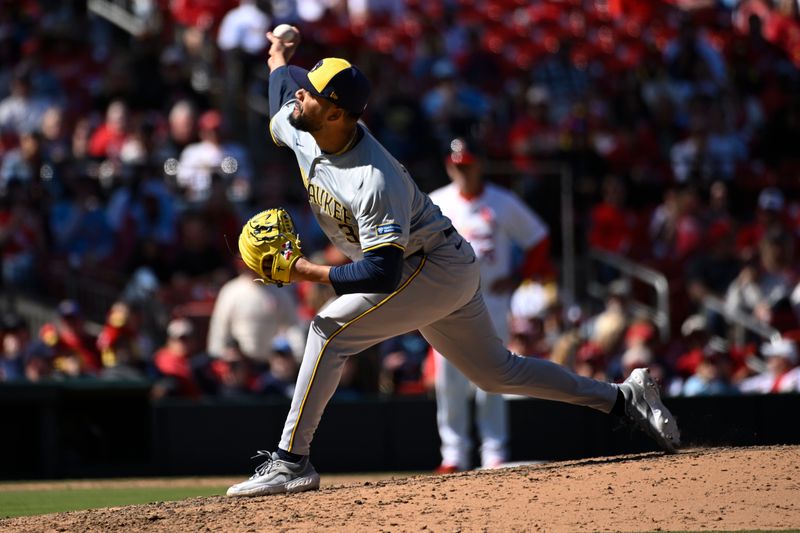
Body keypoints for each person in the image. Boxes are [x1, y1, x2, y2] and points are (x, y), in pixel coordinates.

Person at [225, 28, 680, 498]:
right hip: (443, 264)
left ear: (337, 113)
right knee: (497, 372)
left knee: (327, 332)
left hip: (429, 265)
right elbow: (283, 85)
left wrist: (303, 272)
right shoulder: (301, 122)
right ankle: (624, 399)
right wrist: (280, 55)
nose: (300, 96)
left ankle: (290, 462)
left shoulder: (374, 179)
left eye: (313, 92)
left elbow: (383, 273)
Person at [427, 137, 553, 472]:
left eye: (467, 165)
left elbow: (539, 238)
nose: (463, 171)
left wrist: (518, 277)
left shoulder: (501, 201)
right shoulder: (435, 202)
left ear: (479, 165)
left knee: (494, 376)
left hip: (491, 300)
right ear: (448, 165)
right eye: (457, 165)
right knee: (448, 378)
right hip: (446, 304)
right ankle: (453, 454)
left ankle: (493, 452)